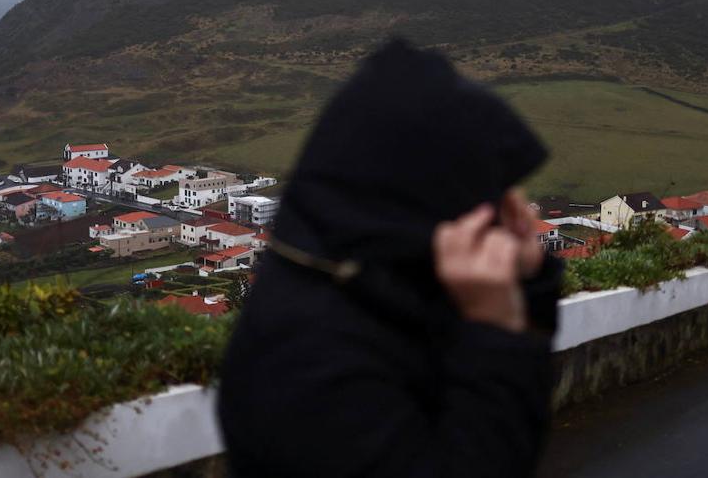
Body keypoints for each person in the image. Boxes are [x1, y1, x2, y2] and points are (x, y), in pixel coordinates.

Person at [219, 38, 562, 477]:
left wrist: (527, 282)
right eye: (480, 198)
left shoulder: (368, 289)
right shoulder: (306, 363)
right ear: (411, 195)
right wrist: (494, 329)